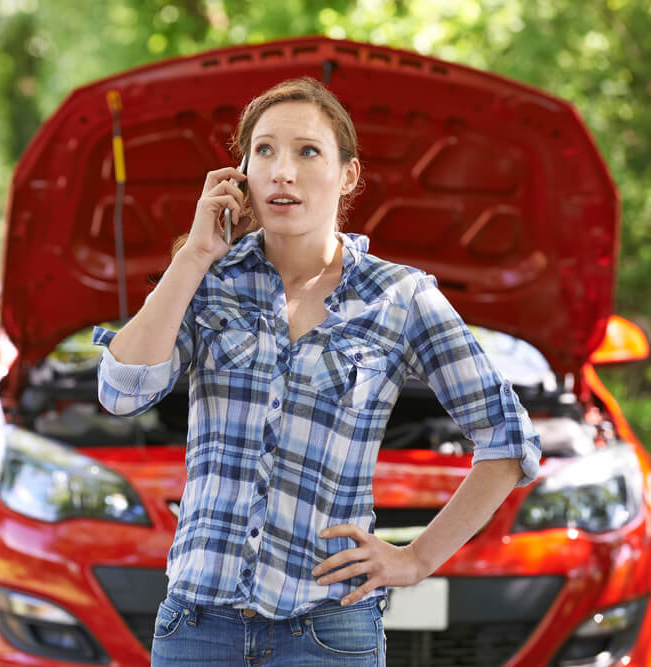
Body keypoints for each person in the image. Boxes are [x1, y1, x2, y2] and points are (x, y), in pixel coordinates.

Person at [91, 77, 541, 667]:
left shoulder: (400, 296)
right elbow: (122, 393)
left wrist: (415, 559)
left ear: (347, 174)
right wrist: (195, 255)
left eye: (308, 151)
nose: (283, 171)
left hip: (329, 634)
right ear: (242, 173)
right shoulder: (209, 280)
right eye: (265, 151)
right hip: (196, 629)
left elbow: (508, 440)